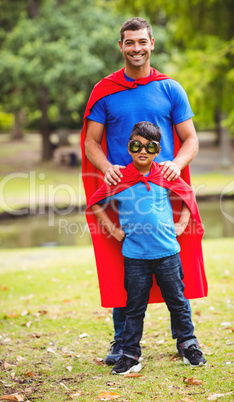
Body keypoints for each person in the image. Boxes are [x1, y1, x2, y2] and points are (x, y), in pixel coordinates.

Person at [81, 17, 200, 365]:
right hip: (122, 191)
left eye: (142, 42)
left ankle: (186, 341)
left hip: (163, 187)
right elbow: (90, 142)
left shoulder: (171, 89)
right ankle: (123, 343)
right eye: (129, 42)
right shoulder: (104, 90)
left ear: (151, 44)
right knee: (123, 265)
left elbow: (190, 139)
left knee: (173, 263)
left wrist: (176, 165)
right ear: (121, 46)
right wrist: (107, 170)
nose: (136, 48)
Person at [89, 121, 207, 374]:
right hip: (134, 257)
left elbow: (188, 194)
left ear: (158, 150)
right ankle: (130, 355)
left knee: (177, 302)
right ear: (129, 148)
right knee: (134, 308)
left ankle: (188, 345)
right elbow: (95, 203)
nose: (143, 151)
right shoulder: (120, 178)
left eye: (150, 147)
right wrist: (113, 230)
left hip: (168, 254)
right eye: (136, 145)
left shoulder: (165, 174)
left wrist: (183, 223)